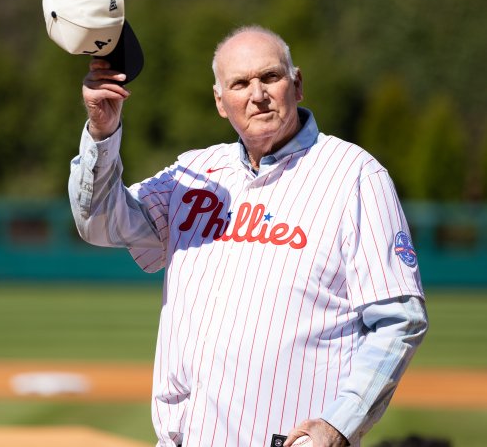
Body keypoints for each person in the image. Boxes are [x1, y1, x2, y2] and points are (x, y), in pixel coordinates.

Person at [68, 26, 428, 447]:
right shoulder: (196, 172)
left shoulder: (355, 175)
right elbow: (100, 223)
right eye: (239, 83)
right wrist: (102, 133)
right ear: (221, 102)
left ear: (297, 85)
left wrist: (339, 425)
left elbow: (399, 319)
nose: (257, 94)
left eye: (270, 77)